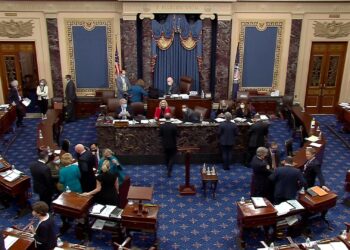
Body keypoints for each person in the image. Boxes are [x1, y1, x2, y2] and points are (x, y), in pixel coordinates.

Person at [159, 113, 178, 177]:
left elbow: (160, 135)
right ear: (171, 118)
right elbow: (177, 134)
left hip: (164, 144)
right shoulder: (174, 126)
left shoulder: (162, 126)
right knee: (172, 157)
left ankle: (168, 168)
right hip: (172, 144)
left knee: (166, 157)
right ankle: (169, 170)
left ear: (164, 117)